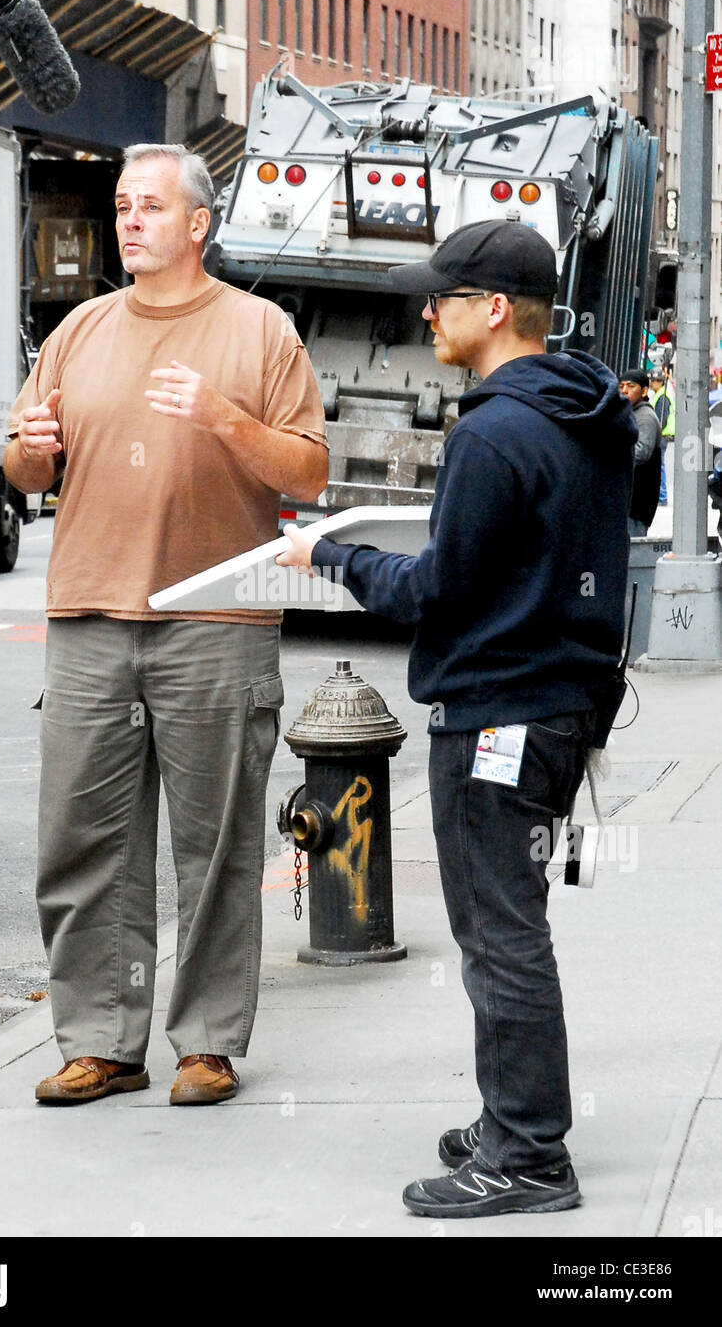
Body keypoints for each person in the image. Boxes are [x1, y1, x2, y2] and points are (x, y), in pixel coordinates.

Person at [277, 219, 637, 1218]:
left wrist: (335, 557)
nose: (423, 310)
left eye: (440, 296)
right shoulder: (586, 413)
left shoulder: (490, 429)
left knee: (500, 936)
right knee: (511, 927)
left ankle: (526, 1156)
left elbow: (437, 591)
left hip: (497, 712)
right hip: (559, 703)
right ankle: (511, 1119)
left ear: (491, 310)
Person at [4, 144, 328, 1106]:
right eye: (120, 206)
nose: (129, 220)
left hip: (216, 621)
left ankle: (208, 1042)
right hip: (90, 614)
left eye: (149, 206)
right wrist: (27, 450)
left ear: (198, 225)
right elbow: (27, 474)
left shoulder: (261, 332)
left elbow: (307, 475)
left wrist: (226, 420)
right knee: (82, 838)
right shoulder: (79, 332)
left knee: (216, 844)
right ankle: (101, 1040)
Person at [620, 368, 661, 537]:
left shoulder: (645, 417)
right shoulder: (632, 414)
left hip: (637, 504)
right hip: (629, 502)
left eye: (631, 386)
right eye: (621, 386)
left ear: (644, 391)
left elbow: (642, 452)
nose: (624, 391)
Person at [650, 364, 675, 505]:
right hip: (663, 436)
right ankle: (661, 495)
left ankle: (662, 496)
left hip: (662, 436)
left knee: (659, 466)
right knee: (658, 465)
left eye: (654, 381)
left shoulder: (662, 396)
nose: (652, 383)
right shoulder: (660, 395)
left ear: (661, 382)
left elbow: (661, 419)